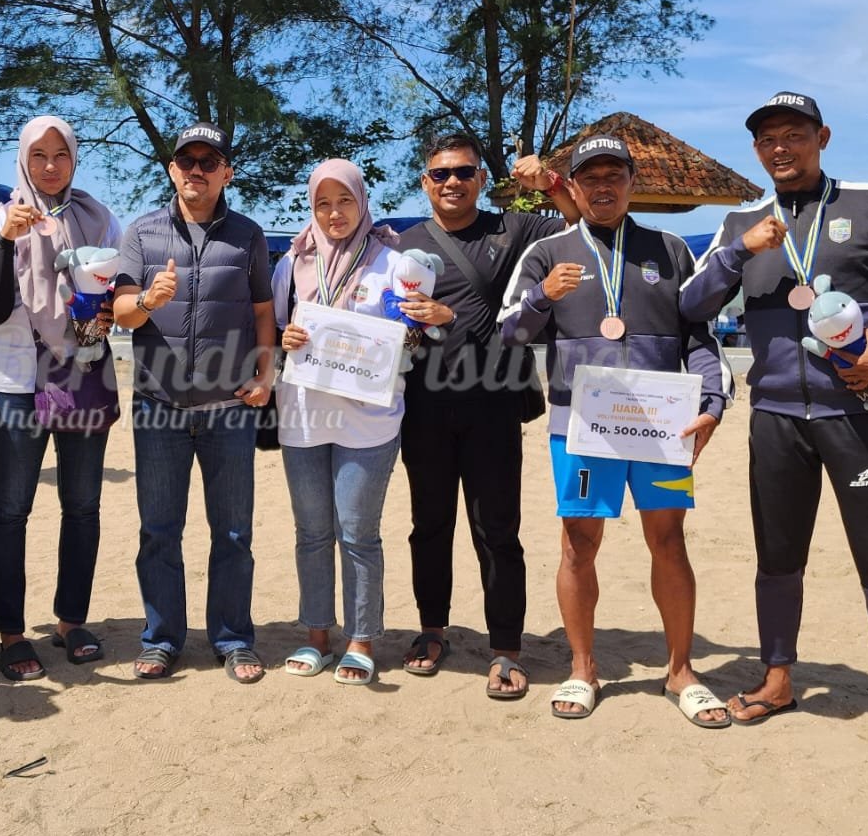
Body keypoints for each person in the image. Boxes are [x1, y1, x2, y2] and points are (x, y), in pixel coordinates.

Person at [681, 91, 868, 765]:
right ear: (756, 150)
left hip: (858, 415)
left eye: (794, 134)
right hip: (776, 416)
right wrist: (736, 252)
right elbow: (690, 305)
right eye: (768, 139)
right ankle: (778, 678)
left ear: (822, 137)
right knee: (778, 560)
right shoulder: (742, 221)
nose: (781, 147)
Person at [500, 135, 733, 724]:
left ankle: (680, 671)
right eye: (590, 177)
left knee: (670, 541)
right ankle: (583, 670)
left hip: (664, 428)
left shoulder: (673, 249)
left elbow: (703, 339)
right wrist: (540, 299)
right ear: (572, 187)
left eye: (615, 175)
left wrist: (711, 403)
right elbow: (509, 332)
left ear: (632, 182)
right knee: (579, 545)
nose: (602, 186)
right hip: (579, 429)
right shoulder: (549, 253)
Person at [393, 133, 577, 694]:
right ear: (425, 182)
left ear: (480, 179)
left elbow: (579, 227)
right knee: (429, 527)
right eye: (440, 174)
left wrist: (547, 183)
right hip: (422, 405)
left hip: (494, 404)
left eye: (464, 172)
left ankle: (505, 648)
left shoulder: (513, 229)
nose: (452, 182)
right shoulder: (403, 244)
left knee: (498, 530)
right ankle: (432, 630)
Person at [111, 121, 276, 683]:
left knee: (233, 532)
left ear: (226, 172)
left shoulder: (249, 236)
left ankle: (233, 639)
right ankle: (161, 639)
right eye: (187, 161)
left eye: (209, 162)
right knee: (159, 531)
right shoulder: (141, 232)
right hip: (157, 406)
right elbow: (121, 312)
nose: (197, 171)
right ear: (171, 170)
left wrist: (267, 373)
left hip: (229, 408)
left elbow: (261, 311)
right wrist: (148, 300)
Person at [274, 159, 445, 685]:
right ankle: (316, 635)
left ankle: (362, 639)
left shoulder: (393, 264)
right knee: (310, 533)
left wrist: (426, 322)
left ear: (362, 202)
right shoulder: (291, 264)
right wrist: (285, 340)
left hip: (370, 422)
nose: (334, 213)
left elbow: (420, 332)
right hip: (303, 417)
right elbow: (277, 329)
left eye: (344, 201)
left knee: (357, 533)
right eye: (323, 203)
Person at [0, 118, 121, 680]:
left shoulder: (98, 216)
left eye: (62, 154)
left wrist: (106, 308)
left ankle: (70, 620)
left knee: (82, 505)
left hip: (82, 375)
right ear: (22, 160)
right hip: (13, 384)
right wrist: (12, 238)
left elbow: (116, 294)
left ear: (75, 159)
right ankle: (11, 632)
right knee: (11, 510)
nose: (52, 166)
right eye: (39, 155)